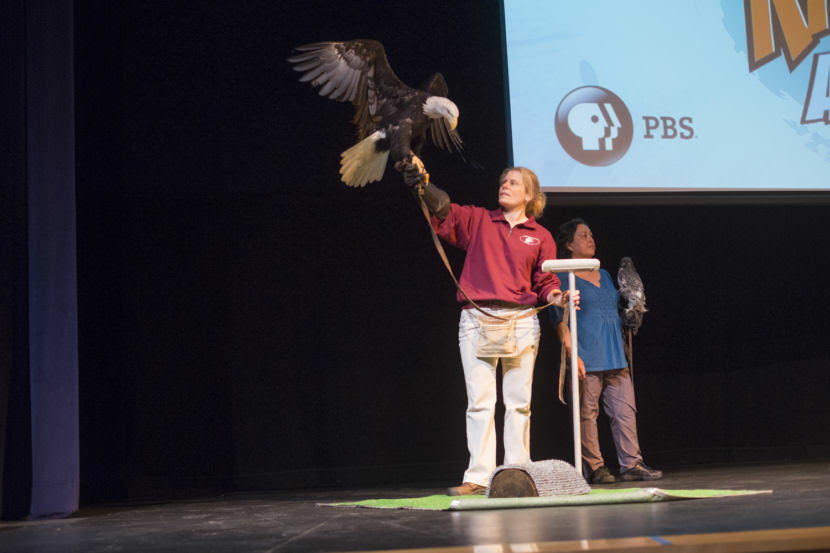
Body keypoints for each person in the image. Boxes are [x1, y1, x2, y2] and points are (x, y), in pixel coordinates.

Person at [399, 158, 577, 496]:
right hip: (477, 321)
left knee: (518, 403)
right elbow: (445, 210)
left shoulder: (540, 235)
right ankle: (479, 476)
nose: (504, 185)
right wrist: (423, 180)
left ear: (530, 194)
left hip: (522, 322)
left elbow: (545, 279)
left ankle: (517, 475)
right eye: (503, 180)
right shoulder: (481, 220)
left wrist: (556, 296)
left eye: (513, 182)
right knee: (479, 402)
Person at [551, 218, 662, 484]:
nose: (591, 239)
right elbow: (559, 322)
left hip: (615, 355)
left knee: (625, 412)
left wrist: (630, 314)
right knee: (587, 416)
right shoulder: (561, 278)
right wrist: (572, 353)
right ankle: (595, 467)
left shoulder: (604, 274)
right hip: (586, 356)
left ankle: (631, 464)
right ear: (568, 244)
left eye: (591, 234)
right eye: (583, 236)